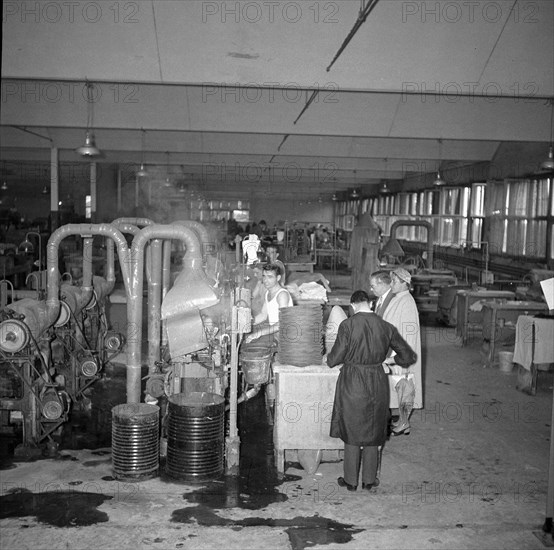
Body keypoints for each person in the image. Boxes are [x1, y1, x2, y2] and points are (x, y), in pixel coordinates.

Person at [326, 290, 417, 492]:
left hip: (352, 380)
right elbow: (408, 356)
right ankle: (369, 480)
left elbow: (335, 357)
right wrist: (389, 360)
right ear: (371, 304)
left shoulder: (347, 325)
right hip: (377, 380)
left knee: (351, 426)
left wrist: (329, 358)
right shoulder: (385, 326)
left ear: (353, 305)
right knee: (373, 427)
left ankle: (350, 481)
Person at [382, 267, 422, 436]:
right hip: (394, 348)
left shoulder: (407, 302)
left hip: (401, 351)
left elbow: (408, 333)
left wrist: (402, 356)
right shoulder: (397, 298)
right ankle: (402, 420)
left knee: (405, 387)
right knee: (399, 387)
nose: (390, 284)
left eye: (393, 281)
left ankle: (404, 423)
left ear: (404, 283)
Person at [244, 263, 293, 345]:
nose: (266, 280)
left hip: (287, 340)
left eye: (270, 277)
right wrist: (247, 323)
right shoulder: (268, 293)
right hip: (277, 337)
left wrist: (259, 333)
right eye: (264, 276)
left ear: (278, 278)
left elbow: (282, 323)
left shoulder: (282, 295)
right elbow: (263, 315)